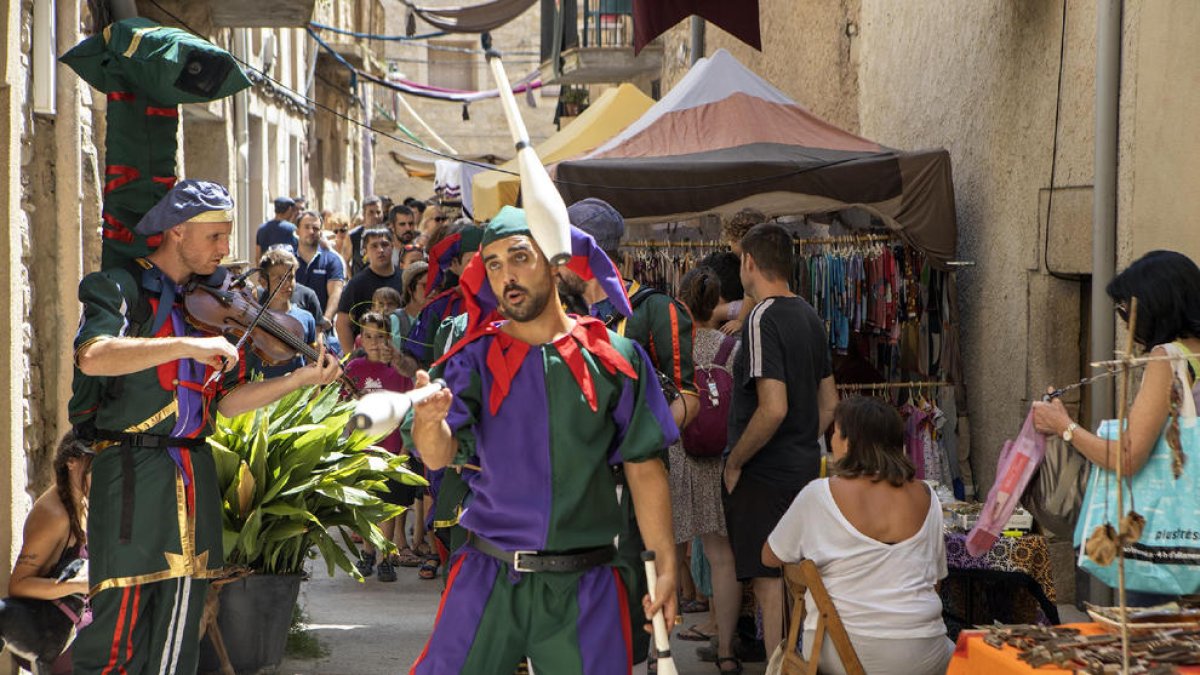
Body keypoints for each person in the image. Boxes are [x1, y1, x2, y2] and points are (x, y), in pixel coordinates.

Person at [69, 180, 342, 675]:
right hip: (132, 471)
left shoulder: (213, 308)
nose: (225, 250)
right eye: (215, 236)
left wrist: (299, 379)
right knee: (119, 620)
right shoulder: (119, 285)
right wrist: (187, 347)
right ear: (176, 232)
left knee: (181, 626)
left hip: (191, 474)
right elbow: (93, 356)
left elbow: (227, 405)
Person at [404, 207, 679, 673]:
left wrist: (667, 565)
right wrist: (429, 423)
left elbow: (644, 467)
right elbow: (441, 453)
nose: (506, 276)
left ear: (554, 262)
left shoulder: (617, 358)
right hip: (488, 577)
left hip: (588, 583)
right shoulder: (472, 358)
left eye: (519, 258)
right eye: (493, 264)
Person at [561, 198, 699, 668]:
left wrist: (634, 435)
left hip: (630, 491)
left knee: (625, 618)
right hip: (571, 490)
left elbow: (689, 397)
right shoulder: (554, 314)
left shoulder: (655, 309)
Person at [1032, 249, 1200, 606]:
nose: (1126, 321)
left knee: (1155, 649)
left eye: (1126, 309)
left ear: (1155, 305)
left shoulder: (1168, 358)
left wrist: (1065, 427)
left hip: (1170, 543)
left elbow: (1128, 456)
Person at [763, 396, 953, 675]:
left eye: (836, 433)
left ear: (851, 442)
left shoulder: (819, 494)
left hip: (848, 650)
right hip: (925, 650)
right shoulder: (927, 495)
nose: (832, 441)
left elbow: (770, 556)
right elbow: (935, 580)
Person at [723, 222, 838, 658]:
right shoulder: (810, 314)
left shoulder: (760, 317)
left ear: (750, 262)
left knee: (768, 581)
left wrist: (735, 461)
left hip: (763, 474)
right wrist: (799, 444)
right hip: (802, 467)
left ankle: (777, 666)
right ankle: (797, 661)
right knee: (796, 577)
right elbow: (829, 404)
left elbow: (773, 407)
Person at [675, 265, 743, 673]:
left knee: (667, 555)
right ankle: (727, 651)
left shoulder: (670, 345)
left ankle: (655, 652)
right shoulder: (730, 348)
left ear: (681, 302)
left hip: (679, 460)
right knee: (723, 557)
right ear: (717, 303)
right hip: (719, 460)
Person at [7, 432, 93, 673]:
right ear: (72, 462)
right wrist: (78, 585)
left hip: (72, 624)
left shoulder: (82, 503)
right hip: (45, 634)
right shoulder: (54, 516)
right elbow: (18, 585)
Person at [343, 312, 415, 583]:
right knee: (366, 503)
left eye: (380, 337)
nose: (374, 343)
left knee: (388, 505)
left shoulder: (399, 370)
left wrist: (405, 451)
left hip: (392, 449)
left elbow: (409, 412)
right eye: (369, 336)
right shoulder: (354, 368)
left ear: (390, 338)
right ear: (361, 338)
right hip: (363, 449)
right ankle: (368, 551)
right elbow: (343, 408)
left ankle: (385, 555)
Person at [246, 249, 319, 379]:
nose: (287, 284)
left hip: (297, 394)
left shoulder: (306, 318)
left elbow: (312, 366)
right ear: (263, 282)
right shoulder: (254, 318)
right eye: (279, 278)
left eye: (290, 277)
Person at [334, 228, 405, 354]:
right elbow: (342, 324)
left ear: (392, 247)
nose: (380, 250)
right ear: (365, 251)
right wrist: (352, 357)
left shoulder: (404, 279)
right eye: (374, 246)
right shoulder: (357, 283)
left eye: (384, 245)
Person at [294, 210, 345, 331]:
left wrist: (325, 320)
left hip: (321, 328)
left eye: (315, 228)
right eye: (306, 227)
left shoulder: (332, 260)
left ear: (321, 232)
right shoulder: (289, 260)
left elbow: (335, 293)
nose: (311, 231)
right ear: (297, 231)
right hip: (291, 326)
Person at [348, 196, 384, 277]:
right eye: (371, 212)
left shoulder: (389, 235)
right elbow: (345, 261)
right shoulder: (353, 236)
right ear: (364, 214)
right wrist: (353, 280)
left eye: (378, 212)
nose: (375, 216)